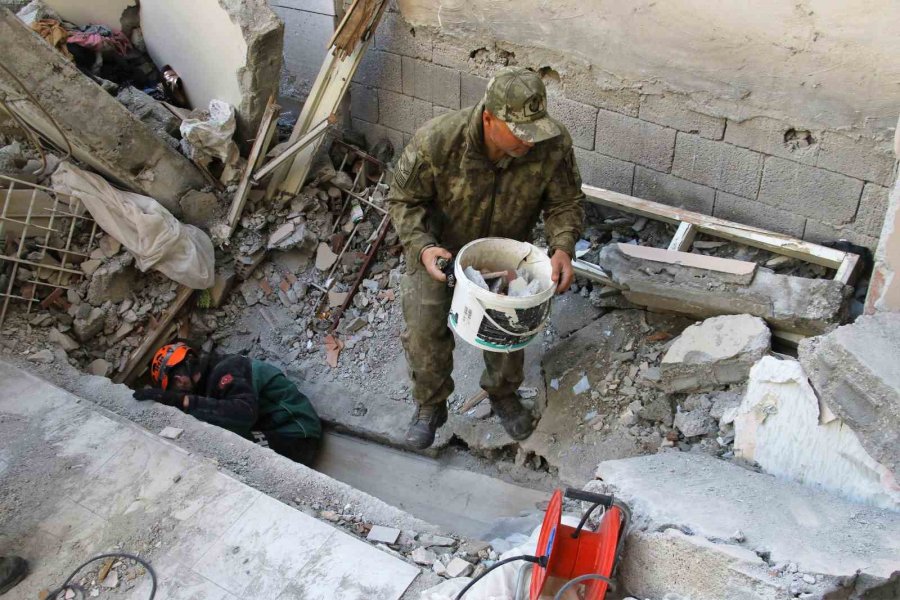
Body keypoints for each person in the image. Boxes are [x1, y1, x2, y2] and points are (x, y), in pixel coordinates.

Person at [387, 66, 585, 450]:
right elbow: (403, 201)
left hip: (506, 252)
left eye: (535, 131)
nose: (530, 142)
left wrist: (562, 246)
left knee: (507, 333)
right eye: (520, 132)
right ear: (489, 118)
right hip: (441, 254)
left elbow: (566, 201)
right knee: (425, 332)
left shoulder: (552, 145)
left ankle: (503, 394)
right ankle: (430, 406)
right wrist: (424, 247)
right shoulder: (439, 141)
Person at [133, 343, 322, 465]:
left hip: (298, 433)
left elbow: (243, 414)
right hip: (274, 429)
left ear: (179, 379)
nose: (180, 388)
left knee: (229, 448)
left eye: (174, 384)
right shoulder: (210, 380)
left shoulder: (228, 369)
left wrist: (184, 401)